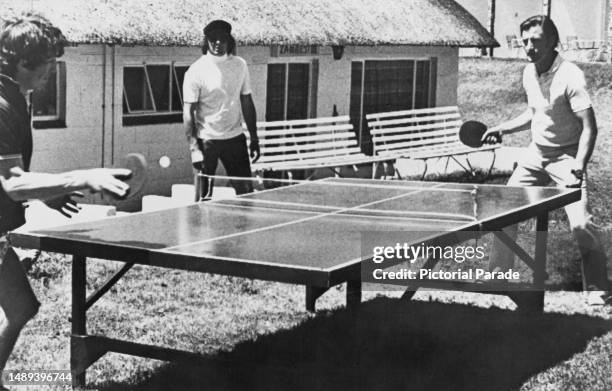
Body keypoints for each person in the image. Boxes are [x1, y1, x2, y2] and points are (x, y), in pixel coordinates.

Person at [0, 14, 132, 387]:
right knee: (20, 306)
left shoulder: (14, 98)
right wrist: (84, 176)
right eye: (46, 66)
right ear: (23, 62)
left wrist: (52, 193)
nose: (49, 75)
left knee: (22, 307)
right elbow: (12, 182)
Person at [482, 15, 610, 305]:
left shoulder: (571, 75)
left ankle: (597, 288)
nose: (529, 46)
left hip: (567, 157)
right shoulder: (529, 72)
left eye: (536, 40)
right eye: (525, 40)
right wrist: (502, 128)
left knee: (581, 224)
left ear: (553, 42)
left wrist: (579, 164)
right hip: (536, 154)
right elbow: (536, 112)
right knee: (503, 211)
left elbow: (590, 127)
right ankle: (499, 274)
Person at [182, 19, 260, 200]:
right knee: (203, 198)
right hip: (207, 141)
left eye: (222, 38)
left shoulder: (240, 65)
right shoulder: (196, 71)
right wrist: (194, 148)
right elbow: (188, 113)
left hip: (235, 139)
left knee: (246, 194)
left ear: (229, 40)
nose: (218, 43)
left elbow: (247, 101)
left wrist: (254, 138)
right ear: (206, 41)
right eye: (213, 38)